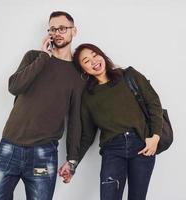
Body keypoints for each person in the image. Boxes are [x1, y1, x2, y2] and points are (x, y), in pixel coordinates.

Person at [0, 11, 84, 200]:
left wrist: (72, 160)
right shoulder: (34, 57)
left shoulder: (78, 74)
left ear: (74, 31)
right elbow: (14, 87)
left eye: (62, 28)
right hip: (10, 146)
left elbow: (75, 120)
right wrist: (44, 56)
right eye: (53, 29)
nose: (57, 33)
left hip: (43, 153)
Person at [60, 43, 163, 200]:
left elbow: (154, 104)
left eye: (95, 55)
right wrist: (72, 163)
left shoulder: (129, 75)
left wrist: (155, 137)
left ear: (102, 55)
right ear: (83, 70)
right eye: (86, 61)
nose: (93, 61)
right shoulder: (88, 97)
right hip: (113, 150)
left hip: (141, 145)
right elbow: (87, 135)